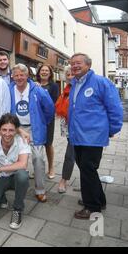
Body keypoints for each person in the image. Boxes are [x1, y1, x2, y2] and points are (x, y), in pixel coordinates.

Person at [68, 53, 123, 219]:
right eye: (72, 64)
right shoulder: (75, 84)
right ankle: (99, 199)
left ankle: (92, 207)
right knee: (87, 169)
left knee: (87, 170)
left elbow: (115, 108)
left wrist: (112, 129)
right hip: (78, 135)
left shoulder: (101, 82)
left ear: (88, 65)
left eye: (78, 63)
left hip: (93, 136)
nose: (75, 66)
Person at [9, 64, 54, 202]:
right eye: (16, 75)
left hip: (34, 128)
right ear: (13, 76)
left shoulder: (37, 89)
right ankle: (15, 184)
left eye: (22, 75)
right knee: (14, 158)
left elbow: (50, 109)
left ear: (27, 75)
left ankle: (40, 190)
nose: (19, 78)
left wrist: (41, 122)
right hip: (17, 129)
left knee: (38, 158)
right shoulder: (9, 89)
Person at [0, 114, 30, 229]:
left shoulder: (22, 141)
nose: (7, 133)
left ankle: (17, 209)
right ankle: (2, 196)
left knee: (22, 175)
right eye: (4, 130)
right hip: (1, 177)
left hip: (16, 176)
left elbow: (23, 164)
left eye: (11, 130)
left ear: (16, 130)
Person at [36, 64, 59, 179]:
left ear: (50, 73)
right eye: (42, 70)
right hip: (36, 119)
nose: (44, 72)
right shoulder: (34, 85)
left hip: (48, 119)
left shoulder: (54, 86)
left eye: (46, 71)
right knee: (37, 145)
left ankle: (51, 168)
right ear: (39, 72)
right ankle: (38, 169)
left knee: (48, 144)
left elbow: (54, 102)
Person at [55, 66, 75, 194]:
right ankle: (65, 179)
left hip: (79, 127)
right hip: (68, 126)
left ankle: (64, 179)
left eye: (72, 74)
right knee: (73, 154)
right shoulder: (66, 89)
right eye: (68, 74)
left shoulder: (80, 88)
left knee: (71, 154)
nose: (70, 76)